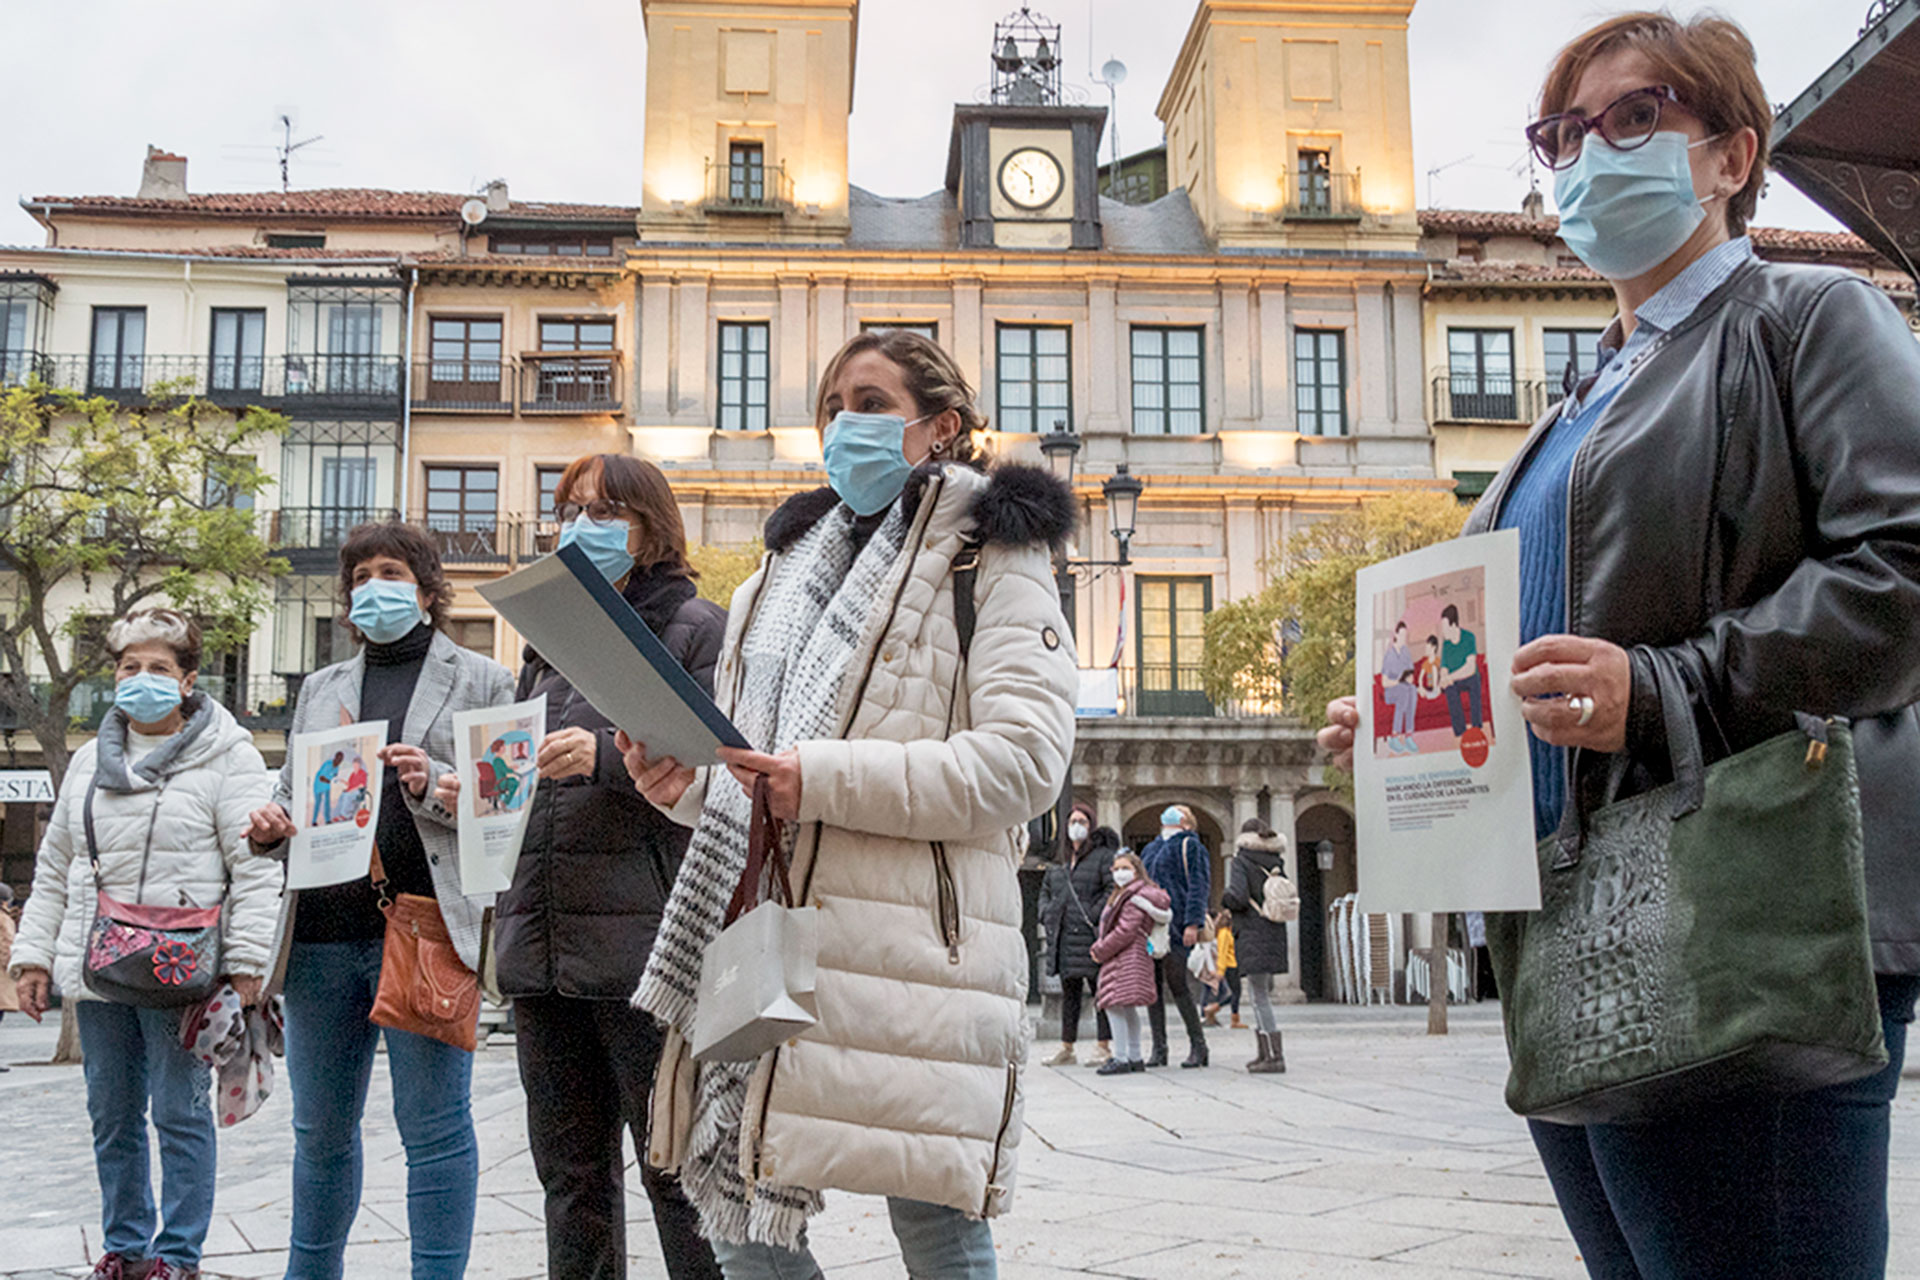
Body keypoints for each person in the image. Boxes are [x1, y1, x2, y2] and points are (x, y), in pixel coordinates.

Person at [1322, 12, 1920, 1274]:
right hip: (1583, 919)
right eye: (1562, 134)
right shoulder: (1569, 411)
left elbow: (1904, 568)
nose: (1588, 155)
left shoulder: (1810, 316)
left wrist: (1667, 688)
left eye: (1632, 118)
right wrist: (1393, 732)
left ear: (1730, 154)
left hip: (1752, 906)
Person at [616, 328, 1077, 1277]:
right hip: (772, 927)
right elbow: (754, 765)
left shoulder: (995, 555)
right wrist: (686, 786)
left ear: (940, 427)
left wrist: (816, 778)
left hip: (915, 952)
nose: (843, 426)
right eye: (832, 407)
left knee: (936, 1223)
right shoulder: (781, 572)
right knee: (739, 1220)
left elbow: (1025, 763)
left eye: (869, 405)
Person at [442, 453, 725, 1280]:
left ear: (651, 526)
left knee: (674, 1168)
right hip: (544, 948)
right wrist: (485, 786)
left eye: (604, 512)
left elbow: (717, 761)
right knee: (569, 1181)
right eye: (568, 510)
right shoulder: (548, 641)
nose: (580, 527)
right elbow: (531, 769)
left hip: (646, 948)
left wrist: (605, 756)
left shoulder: (694, 626)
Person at [244, 521, 513, 1280]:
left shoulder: (485, 680)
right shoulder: (322, 689)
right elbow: (294, 792)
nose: (371, 588)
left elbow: (504, 814)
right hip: (321, 937)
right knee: (319, 1135)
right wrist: (270, 826)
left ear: (426, 591)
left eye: (389, 572)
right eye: (358, 577)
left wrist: (433, 786)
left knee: (434, 1131)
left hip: (425, 929)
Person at [11, 609, 280, 1280]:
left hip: (182, 970)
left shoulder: (231, 755)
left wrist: (247, 966)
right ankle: (125, 1248)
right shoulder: (84, 763)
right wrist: (33, 957)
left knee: (179, 1112)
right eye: (130, 668)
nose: (142, 680)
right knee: (112, 1113)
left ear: (188, 680)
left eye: (159, 668)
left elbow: (255, 866)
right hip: (98, 969)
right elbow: (55, 868)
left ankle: (177, 1255)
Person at [1037, 803, 1119, 1067]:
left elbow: (1111, 890)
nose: (1077, 826)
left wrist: (1093, 914)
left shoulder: (1103, 857)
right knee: (1069, 994)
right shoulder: (1059, 860)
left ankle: (1103, 1045)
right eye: (1073, 821)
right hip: (1063, 937)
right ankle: (1066, 1047)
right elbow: (1045, 892)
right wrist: (1047, 913)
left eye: (1082, 821)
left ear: (1091, 826)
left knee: (1100, 992)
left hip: (1090, 935)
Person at [1142, 805, 1211, 1068]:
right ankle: (1159, 1048)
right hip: (1151, 926)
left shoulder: (1191, 846)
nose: (1170, 814)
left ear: (1187, 821)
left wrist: (1192, 923)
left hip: (1177, 923)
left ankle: (1198, 1045)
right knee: (1152, 987)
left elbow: (1198, 885)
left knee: (1177, 982)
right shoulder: (1151, 848)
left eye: (1178, 812)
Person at [1091, 852, 1169, 1077]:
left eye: (1124, 868)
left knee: (1113, 1004)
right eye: (1115, 869)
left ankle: (1122, 1057)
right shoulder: (1130, 894)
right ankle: (1134, 1057)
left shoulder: (1134, 897)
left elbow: (1126, 930)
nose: (1119, 873)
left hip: (1124, 955)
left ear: (1136, 871)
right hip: (1133, 954)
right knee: (1126, 1006)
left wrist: (1101, 949)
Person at [1221, 820, 1290, 1074]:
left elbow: (1238, 896)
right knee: (1260, 992)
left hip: (1252, 930)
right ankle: (1265, 1053)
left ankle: (1273, 1056)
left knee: (1259, 995)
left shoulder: (1242, 860)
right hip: (1273, 928)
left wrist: (1224, 898)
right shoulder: (1275, 860)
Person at [1437, 605, 1482, 740]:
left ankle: (1476, 727)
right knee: (1450, 689)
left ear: (1454, 625)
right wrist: (1444, 678)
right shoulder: (1446, 644)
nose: (1443, 632)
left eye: (1445, 628)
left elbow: (1470, 668)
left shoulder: (1469, 637)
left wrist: (1449, 676)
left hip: (1469, 677)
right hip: (1455, 680)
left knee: (1475, 682)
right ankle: (1460, 732)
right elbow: (1443, 668)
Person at [1380, 622, 1419, 753]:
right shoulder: (1389, 656)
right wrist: (1397, 681)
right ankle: (1394, 735)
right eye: (1401, 635)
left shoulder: (1405, 652)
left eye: (1405, 636)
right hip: (1391, 692)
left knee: (1412, 690)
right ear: (1396, 635)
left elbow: (1411, 675)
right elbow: (1384, 682)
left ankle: (1409, 735)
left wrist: (1409, 679)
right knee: (1404, 691)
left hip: (1404, 688)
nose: (1403, 638)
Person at [1203, 908, 1242, 1030]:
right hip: (1230, 965)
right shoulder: (1224, 933)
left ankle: (1232, 1016)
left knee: (1236, 992)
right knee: (1235, 992)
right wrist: (1220, 970)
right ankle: (1216, 1009)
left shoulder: (1228, 932)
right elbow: (1223, 952)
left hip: (1233, 964)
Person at [312, 752, 341, 825]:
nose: (339, 762)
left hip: (327, 786)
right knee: (318, 803)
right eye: (338, 759)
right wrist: (330, 780)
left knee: (327, 803)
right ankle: (314, 821)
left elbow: (335, 776)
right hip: (318, 785)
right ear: (335, 758)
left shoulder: (337, 767)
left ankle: (327, 819)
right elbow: (321, 778)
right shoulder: (328, 764)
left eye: (340, 760)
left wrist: (335, 779)